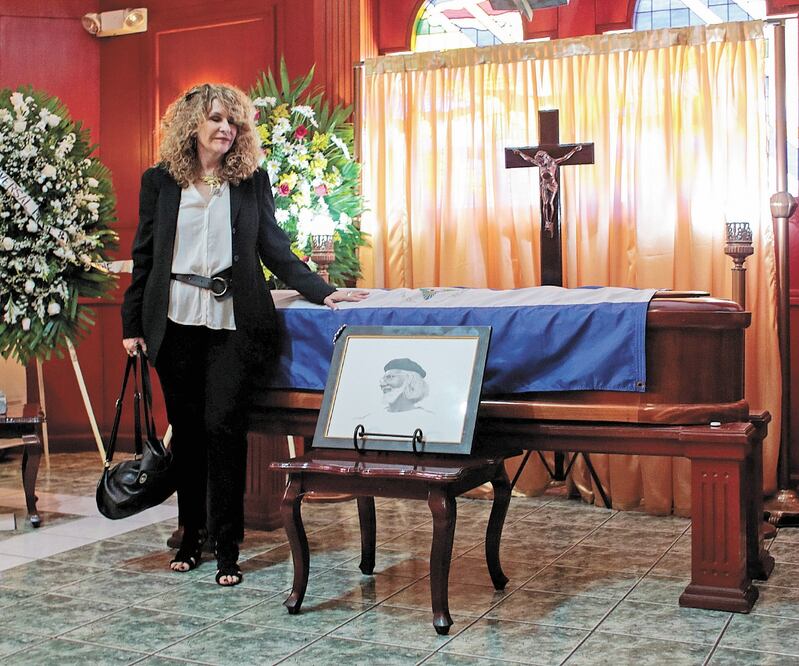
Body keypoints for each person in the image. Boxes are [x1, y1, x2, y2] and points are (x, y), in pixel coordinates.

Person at [121, 83, 367, 586]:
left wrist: (323, 291)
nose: (226, 129)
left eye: (233, 122)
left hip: (235, 324)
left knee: (223, 429)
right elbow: (145, 255)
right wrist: (131, 325)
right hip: (173, 321)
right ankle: (191, 535)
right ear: (192, 124)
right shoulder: (160, 182)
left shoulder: (251, 180)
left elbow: (274, 248)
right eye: (216, 119)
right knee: (187, 436)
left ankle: (228, 545)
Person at [512, 145, 583, 234]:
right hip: (544, 185)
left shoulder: (553, 163)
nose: (540, 163)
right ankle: (547, 222)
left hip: (552, 186)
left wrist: (574, 150)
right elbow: (528, 159)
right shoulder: (540, 164)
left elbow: (565, 157)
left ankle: (551, 222)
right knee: (545, 204)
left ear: (546, 158)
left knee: (550, 203)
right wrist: (520, 153)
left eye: (541, 161)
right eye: (539, 162)